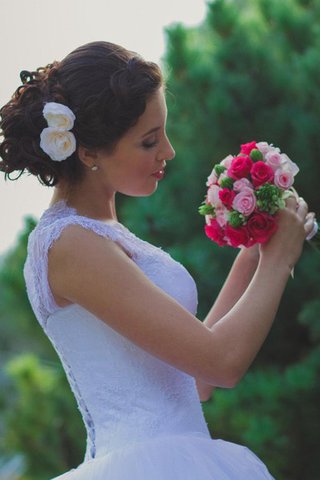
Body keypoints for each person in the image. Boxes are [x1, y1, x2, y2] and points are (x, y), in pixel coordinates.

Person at [0, 41, 316, 480]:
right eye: (149, 141)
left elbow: (197, 380)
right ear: (89, 152)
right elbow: (222, 363)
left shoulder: (105, 233)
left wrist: (255, 253)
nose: (167, 151)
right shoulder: (69, 242)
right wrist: (280, 259)